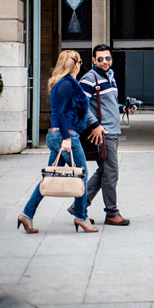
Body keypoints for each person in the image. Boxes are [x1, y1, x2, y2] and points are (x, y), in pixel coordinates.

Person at [17, 50, 98, 234]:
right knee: (81, 175)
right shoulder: (67, 84)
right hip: (66, 135)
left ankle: (26, 214)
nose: (80, 65)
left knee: (49, 177)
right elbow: (61, 113)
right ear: (75, 64)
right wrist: (68, 139)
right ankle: (81, 217)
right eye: (79, 62)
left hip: (58, 135)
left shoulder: (64, 83)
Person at [68, 44, 134, 226]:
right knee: (111, 174)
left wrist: (124, 108)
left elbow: (109, 103)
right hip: (104, 133)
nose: (105, 62)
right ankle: (112, 213)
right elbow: (80, 103)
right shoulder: (90, 78)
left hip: (112, 131)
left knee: (104, 171)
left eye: (108, 58)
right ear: (94, 60)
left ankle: (78, 207)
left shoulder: (110, 77)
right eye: (101, 59)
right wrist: (95, 125)